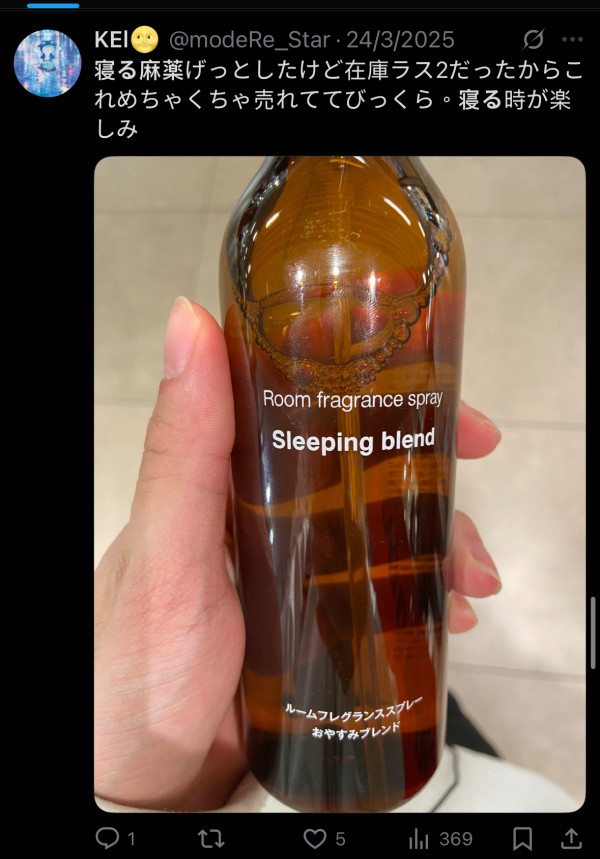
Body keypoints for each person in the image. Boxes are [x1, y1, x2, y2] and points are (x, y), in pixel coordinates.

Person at [95, 297, 576, 815]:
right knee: (410, 662)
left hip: (393, 753)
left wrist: (125, 790)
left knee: (400, 622)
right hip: (460, 784)